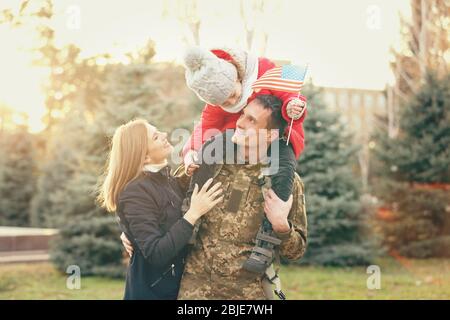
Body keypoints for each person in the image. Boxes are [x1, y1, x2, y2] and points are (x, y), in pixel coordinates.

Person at [176, 95, 308, 299]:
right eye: (243, 115)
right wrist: (130, 229)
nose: (240, 122)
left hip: (246, 295)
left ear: (270, 135)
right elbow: (161, 199)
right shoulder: (209, 164)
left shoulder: (285, 182)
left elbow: (296, 251)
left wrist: (282, 226)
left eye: (252, 120)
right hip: (194, 293)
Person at [98, 119, 223, 300]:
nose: (165, 135)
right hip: (153, 294)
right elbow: (156, 253)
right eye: (156, 137)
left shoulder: (165, 178)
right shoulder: (136, 192)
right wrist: (193, 214)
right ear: (145, 157)